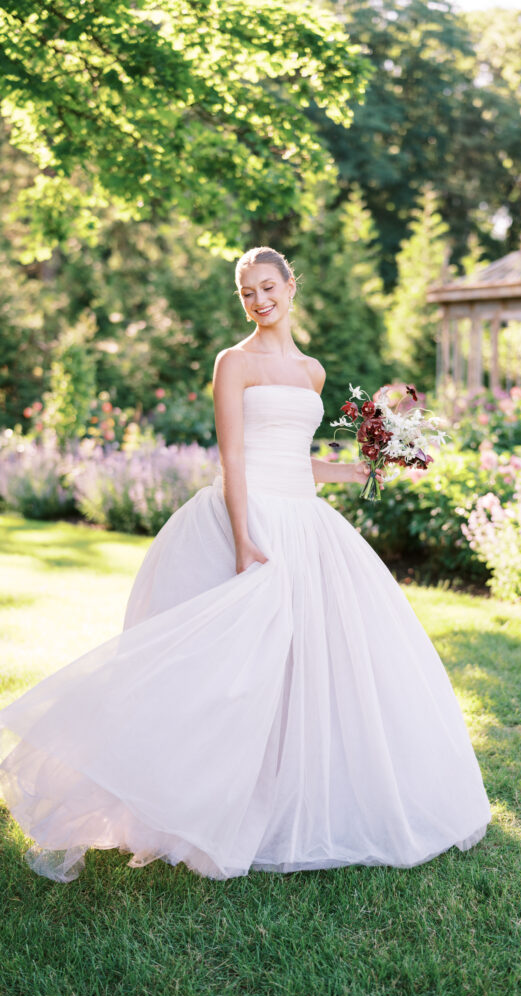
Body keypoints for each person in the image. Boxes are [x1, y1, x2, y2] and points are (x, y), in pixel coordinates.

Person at [0, 246, 491, 882]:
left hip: (306, 522)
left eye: (268, 287)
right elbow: (235, 458)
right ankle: (188, 796)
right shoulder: (233, 362)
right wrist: (242, 539)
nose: (259, 301)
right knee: (225, 668)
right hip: (248, 518)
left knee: (312, 663)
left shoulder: (313, 372)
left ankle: (292, 799)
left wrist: (368, 463)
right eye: (247, 293)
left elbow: (298, 459)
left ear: (291, 285)